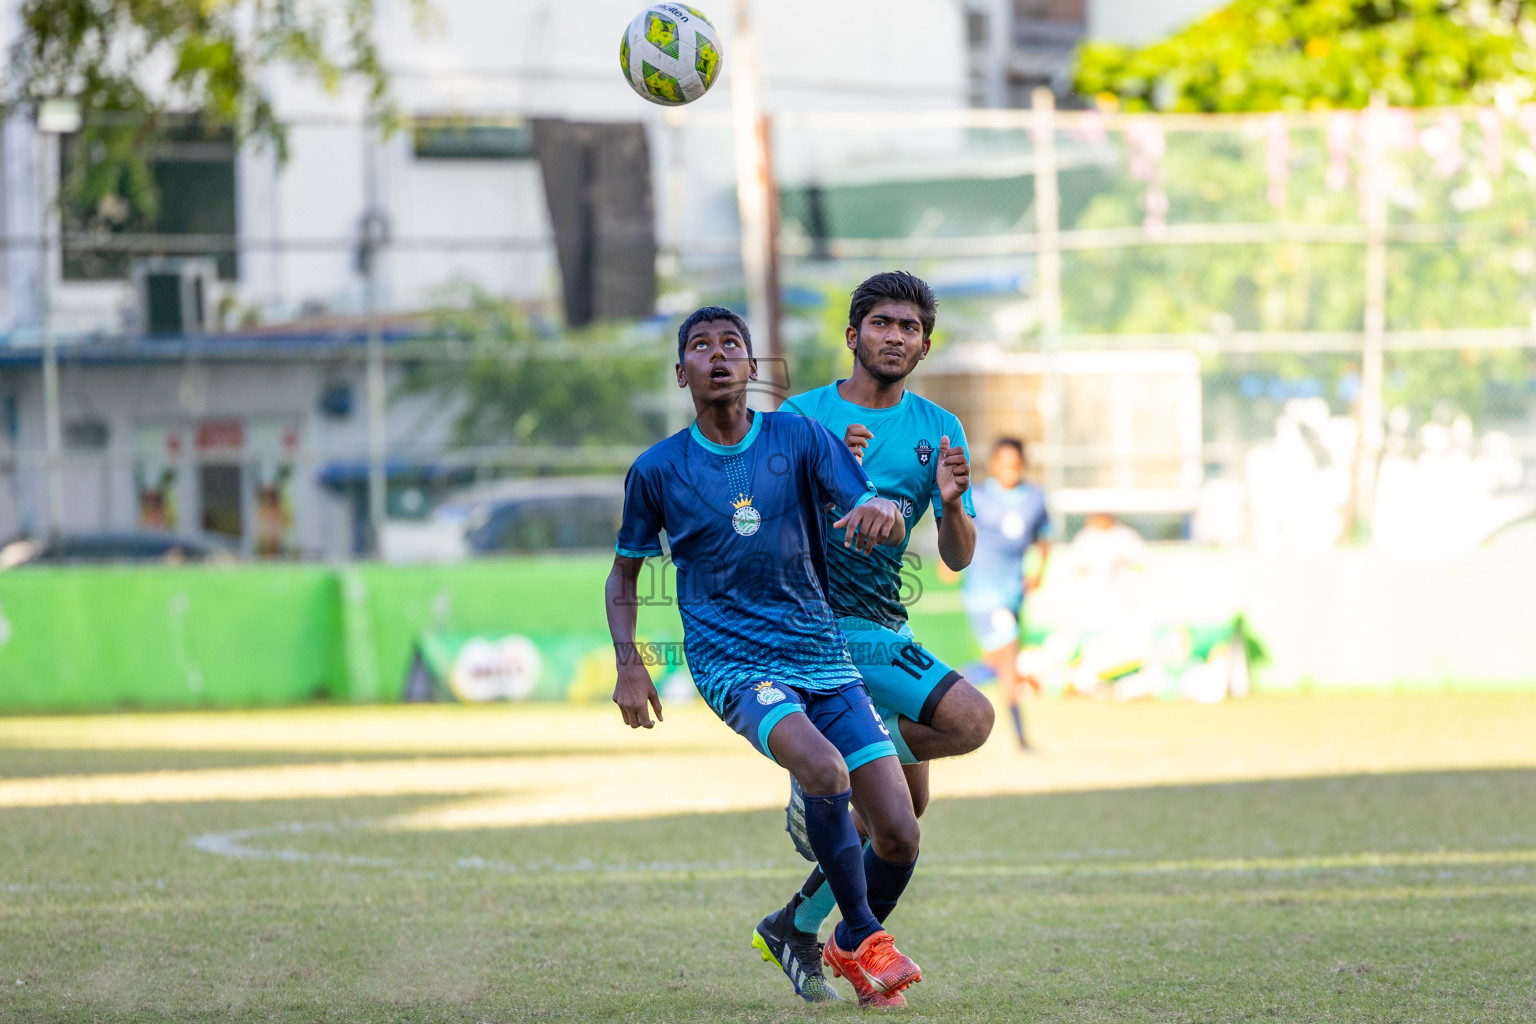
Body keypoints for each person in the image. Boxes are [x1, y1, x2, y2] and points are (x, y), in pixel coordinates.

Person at [606, 306, 924, 1006]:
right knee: (821, 767)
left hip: (824, 654)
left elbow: (866, 502)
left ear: (752, 366)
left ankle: (797, 931)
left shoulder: (799, 436)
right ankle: (867, 937)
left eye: (731, 345)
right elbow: (624, 573)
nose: (716, 355)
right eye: (699, 346)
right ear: (681, 370)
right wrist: (632, 662)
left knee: (900, 835)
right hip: (736, 665)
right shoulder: (659, 469)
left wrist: (881, 512)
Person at [755, 271, 996, 1007]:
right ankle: (850, 927)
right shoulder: (800, 417)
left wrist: (952, 508)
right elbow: (758, 537)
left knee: (897, 829)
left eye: (910, 327)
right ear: (852, 334)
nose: (895, 336)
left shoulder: (939, 429)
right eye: (881, 323)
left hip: (886, 619)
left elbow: (957, 557)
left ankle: (795, 923)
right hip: (817, 626)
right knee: (971, 718)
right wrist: (832, 481)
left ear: (925, 345)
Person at [961, 438, 1050, 749]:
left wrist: (1039, 570)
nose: (1010, 468)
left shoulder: (1035, 498)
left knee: (993, 664)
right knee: (1009, 659)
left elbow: (1044, 536)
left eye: (1016, 462)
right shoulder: (980, 496)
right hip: (985, 594)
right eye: (1004, 462)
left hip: (1013, 593)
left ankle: (946, 683)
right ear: (994, 464)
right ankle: (1021, 737)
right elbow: (959, 528)